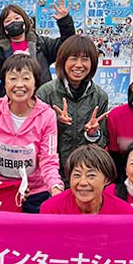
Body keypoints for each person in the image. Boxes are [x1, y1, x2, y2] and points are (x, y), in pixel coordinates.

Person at [0, 54, 65, 213]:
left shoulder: (47, 115)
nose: (19, 85)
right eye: (13, 78)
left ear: (36, 82)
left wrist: (56, 188)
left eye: (26, 78)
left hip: (35, 194)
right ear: (4, 82)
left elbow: (48, 159)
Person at [36, 35, 109, 177]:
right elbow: (36, 138)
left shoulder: (100, 97)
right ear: (63, 61)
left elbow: (102, 144)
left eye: (85, 59)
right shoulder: (46, 93)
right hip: (52, 172)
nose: (79, 65)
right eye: (73, 58)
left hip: (85, 172)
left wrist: (93, 134)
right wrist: (58, 124)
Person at [0, 2, 74, 96]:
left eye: (17, 18)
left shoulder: (41, 43)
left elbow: (66, 47)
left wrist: (65, 21)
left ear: (25, 22)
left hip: (42, 98)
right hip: (11, 100)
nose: (13, 22)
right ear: (4, 29)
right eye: (8, 21)